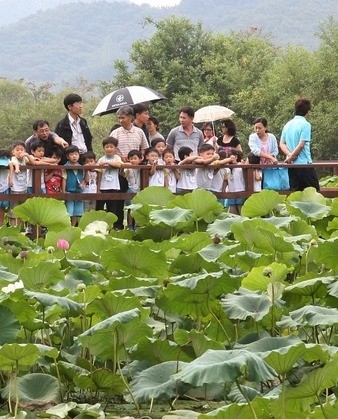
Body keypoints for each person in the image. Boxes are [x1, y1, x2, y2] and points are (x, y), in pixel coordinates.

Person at [109, 105, 149, 229]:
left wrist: (138, 158)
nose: (120, 120)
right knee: (119, 197)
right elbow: (110, 149)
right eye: (119, 118)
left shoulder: (139, 132)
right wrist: (121, 158)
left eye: (123, 118)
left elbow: (144, 148)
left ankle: (136, 224)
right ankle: (119, 224)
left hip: (136, 171)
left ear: (131, 117)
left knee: (137, 197)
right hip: (120, 170)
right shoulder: (115, 132)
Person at [279, 98, 320, 191]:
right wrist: (291, 156)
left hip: (292, 165)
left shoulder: (287, 124)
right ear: (308, 111)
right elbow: (301, 145)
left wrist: (289, 155)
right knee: (314, 192)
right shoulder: (305, 124)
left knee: (296, 195)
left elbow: (282, 143)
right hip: (304, 164)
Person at [55, 93, 93, 159]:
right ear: (69, 107)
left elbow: (88, 139)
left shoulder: (83, 121)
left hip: (85, 157)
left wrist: (91, 154)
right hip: (71, 159)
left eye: (81, 103)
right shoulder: (62, 124)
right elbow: (59, 145)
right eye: (77, 103)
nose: (81, 106)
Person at [95, 137, 123, 227]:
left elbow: (119, 165)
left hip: (114, 187)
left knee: (112, 209)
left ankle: (111, 226)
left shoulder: (117, 158)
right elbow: (99, 174)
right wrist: (98, 188)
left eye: (111, 147)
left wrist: (108, 163)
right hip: (103, 187)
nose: (109, 149)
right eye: (107, 147)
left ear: (115, 148)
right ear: (104, 148)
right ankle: (99, 225)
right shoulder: (101, 160)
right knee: (99, 208)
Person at [61, 145, 86, 226]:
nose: (74, 156)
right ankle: (68, 226)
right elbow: (64, 178)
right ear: (68, 157)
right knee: (69, 210)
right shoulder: (65, 167)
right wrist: (64, 191)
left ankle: (73, 226)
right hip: (69, 191)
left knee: (77, 211)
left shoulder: (81, 167)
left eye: (76, 154)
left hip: (79, 192)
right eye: (71, 154)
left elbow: (85, 178)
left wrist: (83, 183)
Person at [8, 141, 30, 226]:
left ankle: (20, 228)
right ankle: (13, 228)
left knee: (22, 210)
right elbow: (15, 163)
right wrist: (17, 168)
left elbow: (32, 162)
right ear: (13, 152)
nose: (19, 151)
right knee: (13, 210)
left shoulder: (25, 159)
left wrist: (27, 155)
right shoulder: (13, 158)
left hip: (24, 189)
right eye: (17, 150)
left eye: (22, 149)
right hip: (14, 189)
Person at [123, 149, 143, 230]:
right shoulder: (128, 168)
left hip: (139, 190)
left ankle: (137, 225)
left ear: (140, 159)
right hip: (130, 189)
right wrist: (127, 166)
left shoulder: (142, 168)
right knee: (130, 208)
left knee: (138, 209)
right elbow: (124, 175)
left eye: (135, 158)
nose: (133, 160)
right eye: (131, 159)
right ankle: (130, 225)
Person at [223, 148, 246, 214]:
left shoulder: (240, 166)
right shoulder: (226, 168)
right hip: (231, 191)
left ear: (236, 157)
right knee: (232, 210)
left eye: (231, 156)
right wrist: (223, 189)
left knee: (240, 208)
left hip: (241, 190)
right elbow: (226, 180)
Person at [0, 149, 11, 226]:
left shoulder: (10, 162)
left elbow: (13, 164)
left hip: (5, 187)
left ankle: (1, 224)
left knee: (2, 208)